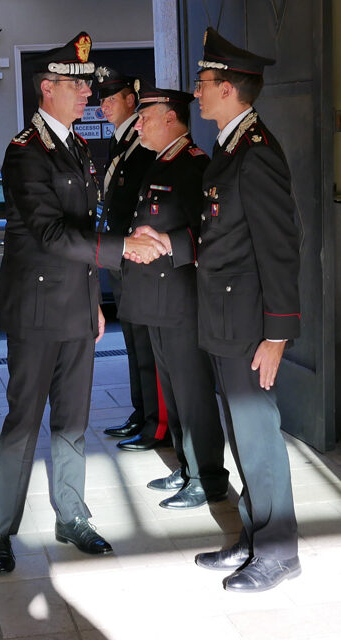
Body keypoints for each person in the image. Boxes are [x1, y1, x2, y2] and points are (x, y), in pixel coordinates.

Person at [0, 32, 168, 574]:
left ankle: (71, 515)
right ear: (47, 89)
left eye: (88, 85)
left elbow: (83, 232)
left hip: (76, 308)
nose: (87, 93)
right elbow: (48, 233)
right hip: (36, 312)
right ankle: (0, 531)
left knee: (73, 421)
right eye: (76, 84)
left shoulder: (80, 147)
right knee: (23, 422)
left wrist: (94, 301)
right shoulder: (25, 153)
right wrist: (123, 249)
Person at [191, 27, 301, 591]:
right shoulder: (231, 145)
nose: (197, 92)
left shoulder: (255, 153)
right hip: (224, 320)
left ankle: (279, 550)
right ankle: (257, 536)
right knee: (241, 434)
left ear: (230, 89)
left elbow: (280, 246)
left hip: (249, 325)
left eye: (204, 83)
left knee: (258, 434)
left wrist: (277, 335)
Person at [121, 82, 228, 509]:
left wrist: (168, 241)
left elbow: (209, 231)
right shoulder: (160, 161)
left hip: (183, 298)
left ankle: (210, 478)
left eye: (146, 116)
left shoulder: (192, 164)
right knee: (173, 388)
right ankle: (186, 467)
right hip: (159, 300)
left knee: (193, 391)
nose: (139, 123)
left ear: (171, 118)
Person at [94, 66, 167, 452]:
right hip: (121, 256)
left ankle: (156, 422)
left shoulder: (141, 145)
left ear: (130, 100)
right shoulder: (120, 143)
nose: (103, 106)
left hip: (138, 258)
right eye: (101, 99)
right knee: (133, 343)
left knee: (146, 344)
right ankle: (142, 413)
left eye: (111, 98)